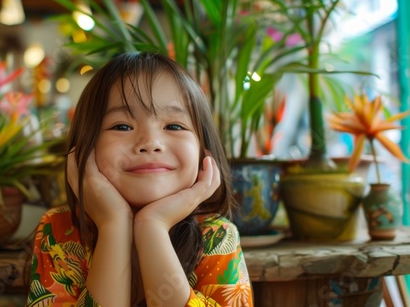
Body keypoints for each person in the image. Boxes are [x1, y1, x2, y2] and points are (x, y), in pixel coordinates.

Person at [26, 52, 254, 307]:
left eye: (174, 126)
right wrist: (114, 224)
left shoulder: (217, 237)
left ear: (204, 151)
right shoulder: (59, 230)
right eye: (122, 126)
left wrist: (152, 226)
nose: (150, 143)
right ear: (83, 150)